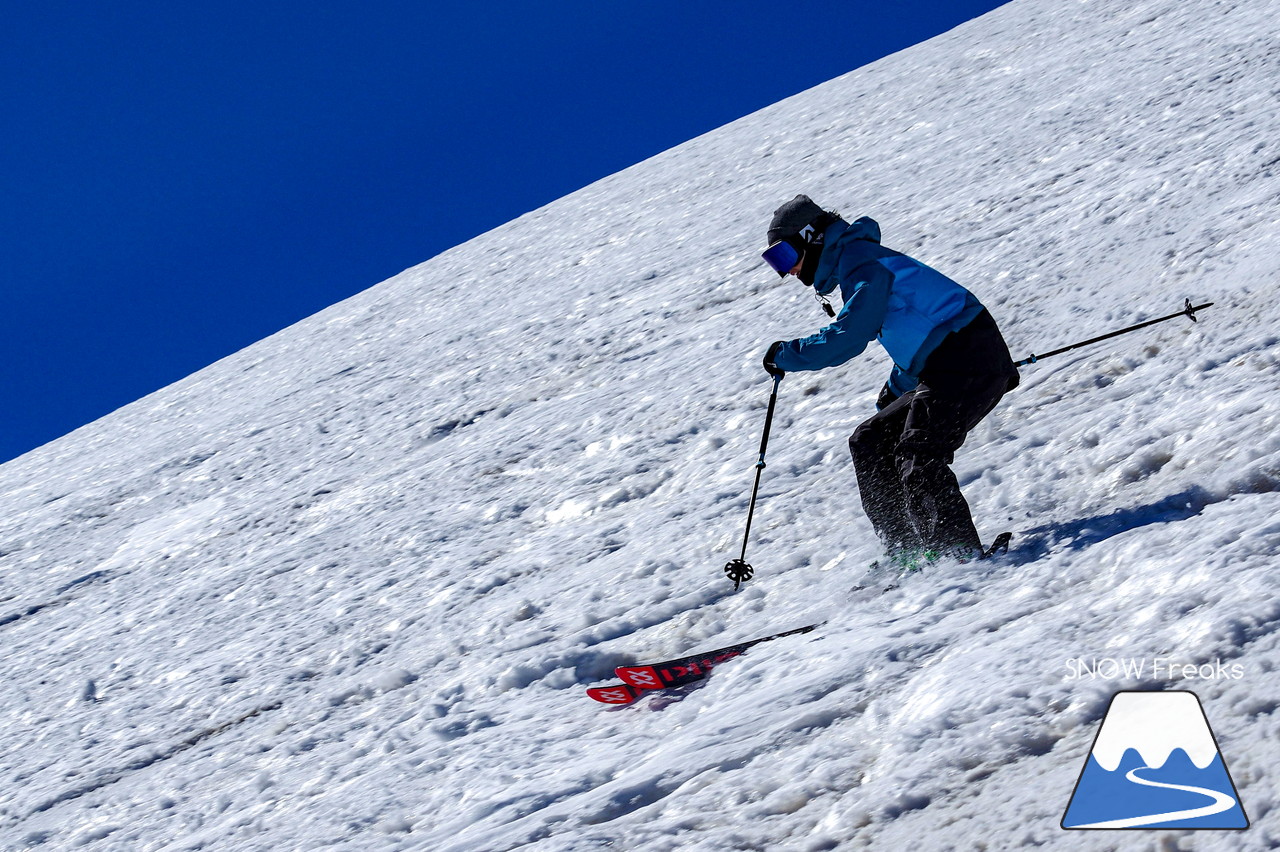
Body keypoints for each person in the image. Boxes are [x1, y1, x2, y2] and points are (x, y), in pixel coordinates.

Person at [760, 194, 1019, 565]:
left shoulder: (863, 264)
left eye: (784, 256)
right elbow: (920, 331)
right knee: (870, 440)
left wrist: (786, 354)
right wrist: (898, 388)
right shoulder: (857, 265)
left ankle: (954, 554)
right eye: (775, 263)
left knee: (919, 451)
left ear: (812, 237)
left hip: (970, 355)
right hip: (947, 362)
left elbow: (848, 337)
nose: (787, 271)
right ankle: (908, 553)